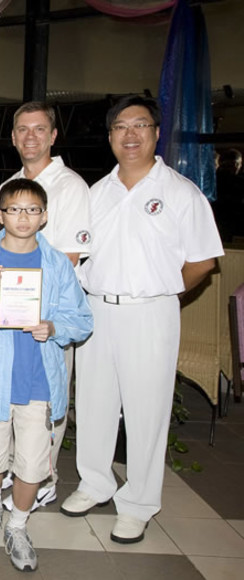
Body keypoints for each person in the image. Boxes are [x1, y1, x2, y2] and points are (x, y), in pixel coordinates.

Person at [62, 96, 223, 544]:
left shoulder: (180, 192)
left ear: (155, 132)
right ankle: (95, 483)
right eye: (120, 127)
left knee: (146, 410)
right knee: (93, 403)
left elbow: (203, 262)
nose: (130, 135)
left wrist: (161, 290)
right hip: (96, 308)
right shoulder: (96, 193)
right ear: (110, 136)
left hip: (151, 312)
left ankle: (138, 503)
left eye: (140, 126)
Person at [0, 178, 93, 572]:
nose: (23, 217)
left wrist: (54, 328)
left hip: (37, 382)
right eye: (14, 209)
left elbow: (82, 319)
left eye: (32, 209)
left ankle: (17, 525)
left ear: (44, 216)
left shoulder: (56, 265)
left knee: (33, 464)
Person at [0, 102, 91, 511]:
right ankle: (22, 473)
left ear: (53, 136)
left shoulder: (70, 186)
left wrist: (28, 303)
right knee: (16, 397)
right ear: (14, 137)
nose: (30, 136)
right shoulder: (11, 184)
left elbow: (67, 259)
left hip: (47, 317)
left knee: (47, 397)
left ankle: (44, 478)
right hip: (9, 315)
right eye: (22, 129)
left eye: (39, 129)